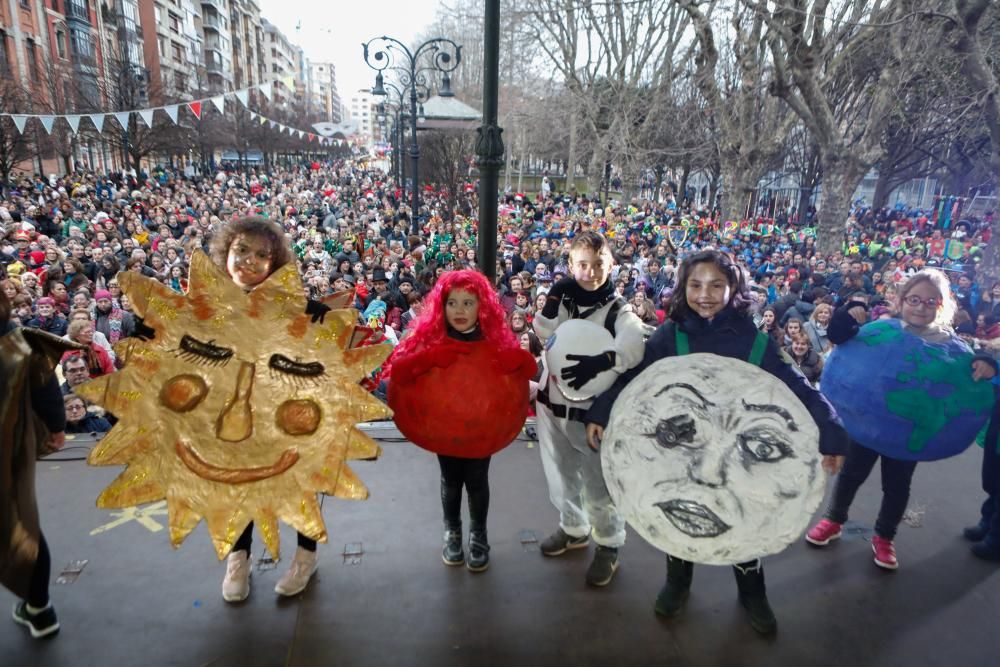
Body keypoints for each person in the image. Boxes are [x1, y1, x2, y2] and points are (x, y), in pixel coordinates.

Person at [585, 249, 848, 635]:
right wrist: (603, 410)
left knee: (745, 522)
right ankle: (677, 582)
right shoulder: (671, 336)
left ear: (733, 289)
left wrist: (831, 429)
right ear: (682, 288)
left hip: (738, 462)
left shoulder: (755, 343)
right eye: (695, 285)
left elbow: (797, 388)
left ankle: (752, 591)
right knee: (680, 516)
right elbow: (635, 379)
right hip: (680, 454)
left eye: (716, 285)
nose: (704, 294)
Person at [806, 270, 995, 570]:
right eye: (914, 299)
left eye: (930, 301)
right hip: (866, 426)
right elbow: (840, 337)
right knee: (851, 475)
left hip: (908, 433)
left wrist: (988, 365)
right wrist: (847, 313)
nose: (921, 306)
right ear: (901, 300)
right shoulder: (881, 330)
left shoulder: (952, 346)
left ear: (942, 305)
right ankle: (834, 519)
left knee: (897, 486)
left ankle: (884, 536)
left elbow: (975, 372)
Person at [532, 231, 647, 587]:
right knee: (564, 474)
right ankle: (574, 527)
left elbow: (634, 344)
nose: (591, 272)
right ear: (570, 265)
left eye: (598, 264)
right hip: (555, 405)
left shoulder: (617, 309)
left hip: (595, 414)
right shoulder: (564, 299)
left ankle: (608, 544)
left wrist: (603, 360)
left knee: (600, 484)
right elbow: (544, 332)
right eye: (582, 264)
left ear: (611, 264)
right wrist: (551, 302)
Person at [390, 270, 524, 572]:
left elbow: (521, 368)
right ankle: (452, 531)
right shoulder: (430, 338)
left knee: (477, 480)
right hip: (445, 429)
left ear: (482, 307)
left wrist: (518, 362)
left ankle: (478, 535)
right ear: (441, 306)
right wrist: (430, 357)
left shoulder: (493, 340)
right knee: (450, 480)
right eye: (452, 303)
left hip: (480, 429)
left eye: (468, 303)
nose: (460, 310)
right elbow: (398, 372)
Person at [1, 291, 70, 639]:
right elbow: (46, 389)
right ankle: (39, 610)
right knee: (22, 522)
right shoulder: (18, 342)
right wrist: (56, 429)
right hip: (11, 451)